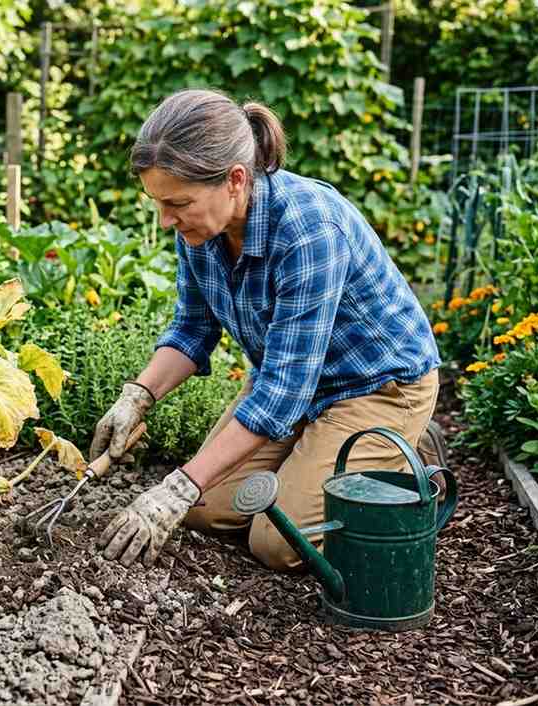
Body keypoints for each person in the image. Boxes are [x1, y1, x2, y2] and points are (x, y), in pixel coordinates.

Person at [90, 88, 447, 570]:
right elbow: (193, 329)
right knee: (204, 509)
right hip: (293, 385)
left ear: (236, 179)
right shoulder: (200, 229)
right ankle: (317, 457)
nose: (166, 220)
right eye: (158, 202)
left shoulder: (308, 229)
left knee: (278, 543)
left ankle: (405, 457)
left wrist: (174, 487)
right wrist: (137, 396)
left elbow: (281, 391)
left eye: (178, 203)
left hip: (376, 387)